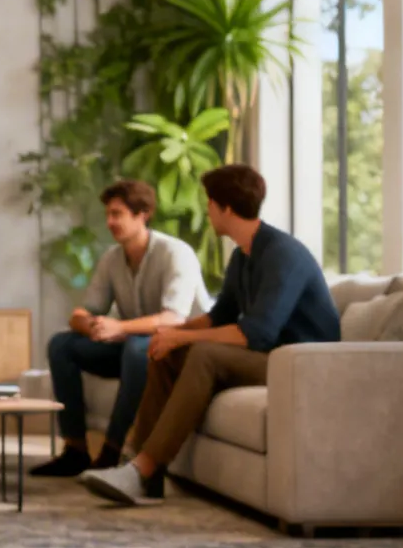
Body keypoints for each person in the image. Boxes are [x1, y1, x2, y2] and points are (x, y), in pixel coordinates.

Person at [80, 164, 340, 506]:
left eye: (209, 203)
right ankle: (143, 473)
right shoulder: (243, 255)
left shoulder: (282, 254)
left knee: (205, 354)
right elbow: (220, 316)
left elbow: (257, 333)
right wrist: (170, 334)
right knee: (164, 350)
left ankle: (141, 469)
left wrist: (185, 338)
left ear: (225, 208)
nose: (207, 211)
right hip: (271, 355)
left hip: (302, 364)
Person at [29, 179, 206, 478]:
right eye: (108, 214)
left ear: (143, 214)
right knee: (61, 345)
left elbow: (173, 319)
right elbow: (85, 311)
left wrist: (118, 326)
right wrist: (91, 325)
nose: (110, 222)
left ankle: (112, 452)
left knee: (137, 348)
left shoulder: (175, 253)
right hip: (131, 346)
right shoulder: (112, 258)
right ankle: (75, 450)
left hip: (182, 350)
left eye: (117, 214)